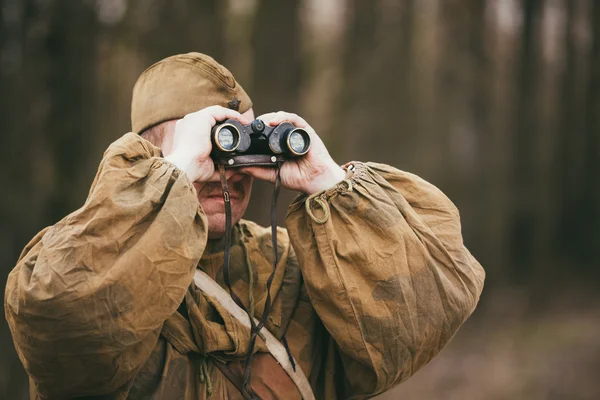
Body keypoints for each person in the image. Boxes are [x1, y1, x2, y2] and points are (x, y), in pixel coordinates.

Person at [5, 52, 485, 400]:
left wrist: (328, 180)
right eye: (211, 148)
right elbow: (63, 326)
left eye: (241, 144)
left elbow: (431, 304)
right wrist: (171, 178)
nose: (229, 170)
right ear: (154, 157)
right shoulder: (79, 261)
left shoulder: (297, 270)